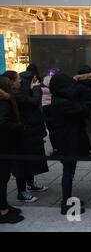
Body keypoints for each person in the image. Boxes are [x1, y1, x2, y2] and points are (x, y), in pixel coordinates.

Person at [4, 70, 49, 203]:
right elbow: (34, 102)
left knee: (29, 160)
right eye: (18, 79)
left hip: (28, 132)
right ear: (11, 82)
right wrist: (35, 89)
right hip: (20, 134)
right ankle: (21, 191)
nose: (20, 81)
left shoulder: (18, 92)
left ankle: (30, 183)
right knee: (21, 163)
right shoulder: (16, 94)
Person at [50, 73, 90, 215]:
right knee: (68, 171)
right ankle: (66, 203)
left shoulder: (59, 98)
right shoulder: (63, 102)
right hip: (67, 141)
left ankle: (68, 198)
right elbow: (83, 110)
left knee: (69, 171)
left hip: (65, 140)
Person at [0, 77, 24, 224]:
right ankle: (2, 211)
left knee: (4, 178)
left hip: (5, 146)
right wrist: (19, 127)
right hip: (3, 146)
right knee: (2, 178)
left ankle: (3, 205)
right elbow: (2, 125)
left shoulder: (5, 102)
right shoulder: (3, 104)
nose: (18, 82)